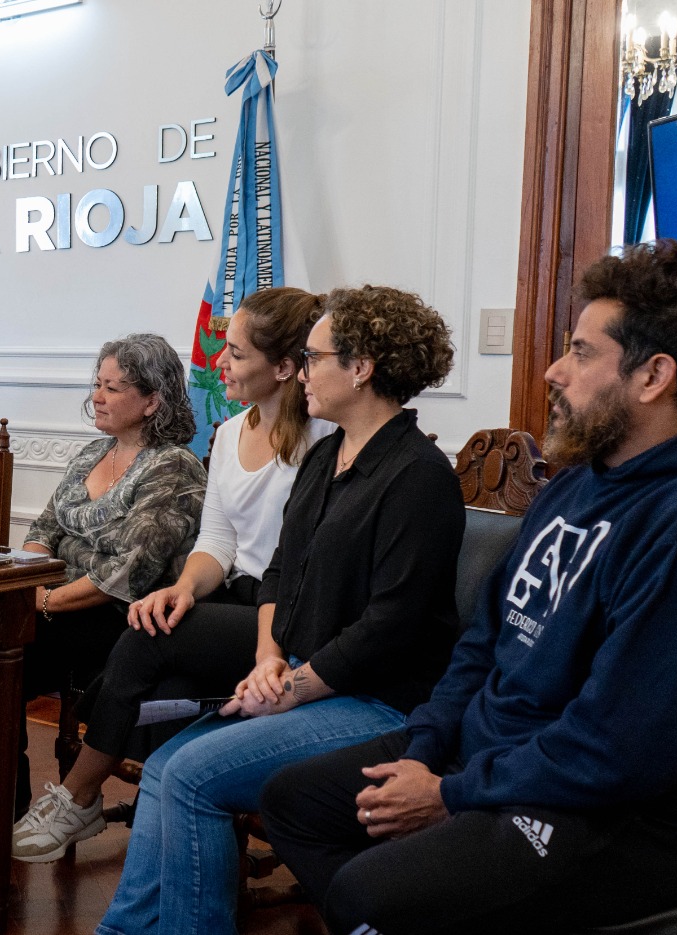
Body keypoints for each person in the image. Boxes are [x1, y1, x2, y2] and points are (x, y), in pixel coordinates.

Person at [261, 242, 677, 935]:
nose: (554, 370)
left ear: (654, 376)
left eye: (581, 352)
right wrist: (425, 749)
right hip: (496, 763)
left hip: (622, 818)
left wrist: (450, 795)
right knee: (295, 802)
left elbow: (623, 747)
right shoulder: (578, 482)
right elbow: (483, 641)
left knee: (364, 896)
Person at [95, 285, 464, 935]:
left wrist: (291, 686)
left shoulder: (419, 473)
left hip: (382, 700)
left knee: (188, 778)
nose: (299, 368)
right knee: (163, 767)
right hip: (311, 680)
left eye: (312, 356)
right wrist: (268, 659)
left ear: (360, 368)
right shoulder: (328, 454)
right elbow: (279, 573)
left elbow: (390, 627)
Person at [10, 289, 333, 862]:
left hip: (291, 613)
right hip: (233, 597)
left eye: (233, 353)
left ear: (283, 368)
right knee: (169, 686)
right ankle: (179, 855)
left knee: (142, 641)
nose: (217, 363)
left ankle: (79, 796)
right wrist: (181, 589)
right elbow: (218, 542)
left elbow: (304, 563)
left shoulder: (327, 441)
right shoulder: (231, 433)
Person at [0, 333, 209, 837]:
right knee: (0, 642)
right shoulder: (92, 453)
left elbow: (124, 575)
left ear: (153, 400)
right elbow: (43, 530)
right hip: (56, 603)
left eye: (113, 387)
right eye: (97, 384)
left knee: (4, 646)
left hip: (125, 622)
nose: (98, 397)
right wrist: (32, 582)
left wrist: (42, 599)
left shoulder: (174, 467)